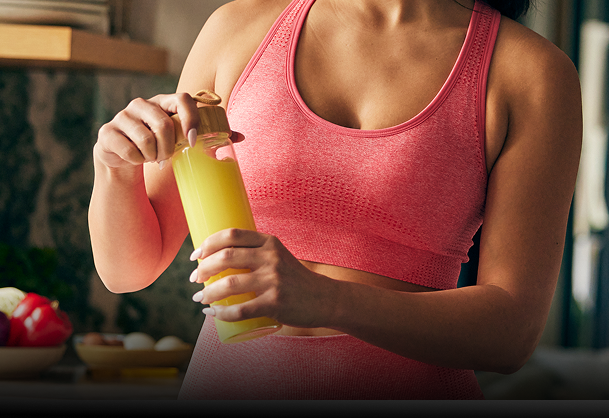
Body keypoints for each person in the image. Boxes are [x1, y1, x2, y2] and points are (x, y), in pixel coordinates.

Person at [88, 0, 582, 399]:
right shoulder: (236, 30)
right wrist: (114, 169)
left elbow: (511, 332)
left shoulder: (530, 72)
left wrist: (327, 300)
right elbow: (129, 270)